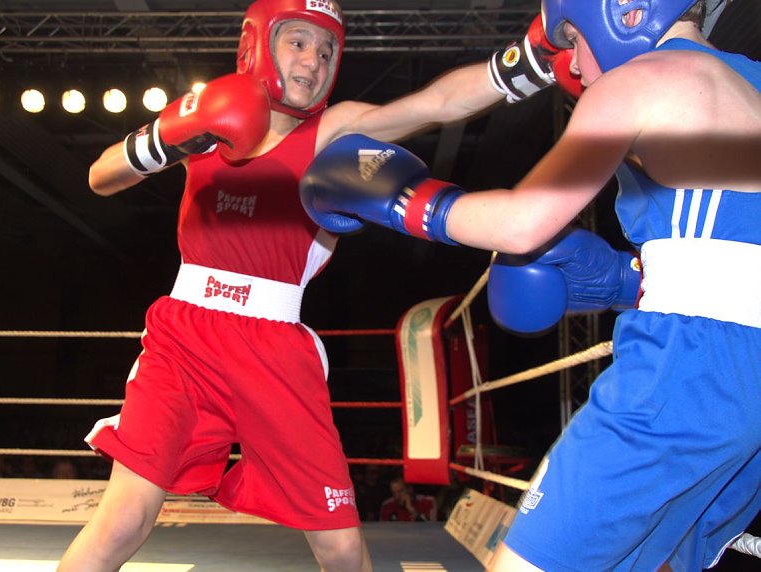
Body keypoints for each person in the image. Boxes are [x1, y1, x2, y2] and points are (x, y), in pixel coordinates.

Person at [56, 1, 581, 570]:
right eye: (299, 42)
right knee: (124, 517)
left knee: (338, 544)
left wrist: (531, 60)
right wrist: (167, 137)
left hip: (274, 348)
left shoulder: (333, 131)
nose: (313, 60)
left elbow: (437, 104)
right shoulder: (205, 120)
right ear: (257, 43)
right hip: (183, 337)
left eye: (327, 49)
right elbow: (99, 176)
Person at [299, 0, 761, 570]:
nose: (573, 65)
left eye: (574, 37)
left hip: (688, 370)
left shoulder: (643, 79)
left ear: (627, 15)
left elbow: (522, 224)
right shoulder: (749, 81)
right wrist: (626, 279)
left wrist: (401, 199)